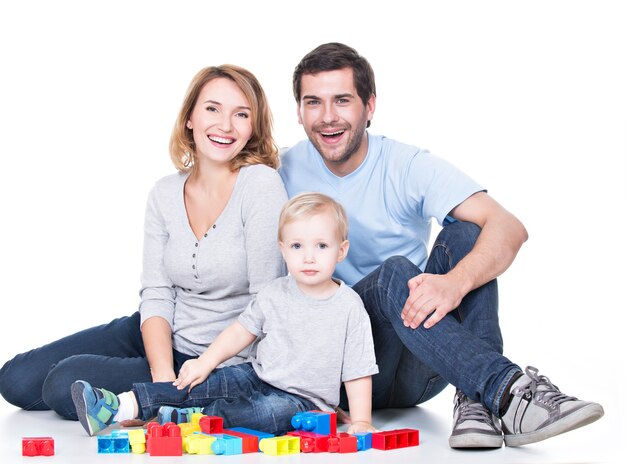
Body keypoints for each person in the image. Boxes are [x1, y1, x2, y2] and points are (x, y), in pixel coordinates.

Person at [279, 42, 604, 448]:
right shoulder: (280, 170)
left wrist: (455, 284)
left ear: (370, 106)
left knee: (468, 234)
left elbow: (508, 226)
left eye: (342, 100)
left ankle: (476, 401)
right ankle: (507, 392)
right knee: (392, 275)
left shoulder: (405, 164)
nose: (328, 117)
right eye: (314, 102)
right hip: (343, 371)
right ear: (298, 111)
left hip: (424, 364)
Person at [0, 64, 288, 421]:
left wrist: (193, 370)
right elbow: (157, 291)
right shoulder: (164, 193)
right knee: (15, 379)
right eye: (212, 108)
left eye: (241, 114)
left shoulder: (260, 185)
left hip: (215, 359)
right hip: (161, 331)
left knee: (61, 383)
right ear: (190, 118)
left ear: (253, 128)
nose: (225, 125)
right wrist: (161, 375)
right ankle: (154, 389)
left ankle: (160, 397)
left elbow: (267, 302)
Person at [70, 192, 379, 437]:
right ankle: (117, 406)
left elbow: (357, 369)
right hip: (257, 374)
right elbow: (240, 332)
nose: (309, 256)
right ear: (283, 250)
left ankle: (187, 420)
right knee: (199, 383)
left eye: (322, 246)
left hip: (305, 401)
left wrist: (362, 419)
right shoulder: (274, 293)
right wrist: (205, 362)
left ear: (341, 250)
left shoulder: (349, 307)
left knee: (267, 413)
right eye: (298, 246)